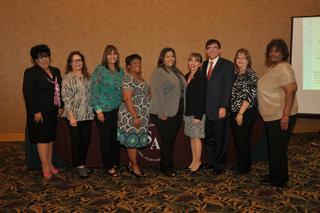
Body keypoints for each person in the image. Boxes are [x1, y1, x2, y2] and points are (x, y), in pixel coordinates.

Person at [257, 39, 298, 187]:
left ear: (283, 53)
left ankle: (280, 179)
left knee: (278, 148)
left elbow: (291, 90)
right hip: (272, 116)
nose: (273, 53)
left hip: (280, 116)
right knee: (274, 147)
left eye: (277, 51)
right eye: (271, 51)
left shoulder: (284, 68)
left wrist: (285, 115)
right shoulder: (273, 67)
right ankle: (274, 174)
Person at [23, 44, 63, 179]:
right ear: (35, 59)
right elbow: (28, 94)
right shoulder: (30, 72)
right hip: (39, 112)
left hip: (53, 111)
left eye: (46, 56)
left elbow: (59, 90)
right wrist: (36, 111)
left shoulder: (56, 71)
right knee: (42, 139)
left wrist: (60, 106)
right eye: (41, 57)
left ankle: (50, 163)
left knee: (50, 139)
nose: (45, 59)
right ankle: (44, 166)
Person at [150, 47, 187, 177]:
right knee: (167, 140)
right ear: (162, 58)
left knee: (170, 140)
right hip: (163, 112)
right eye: (167, 56)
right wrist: (162, 113)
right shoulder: (159, 72)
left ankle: (167, 164)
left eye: (172, 56)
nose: (171, 59)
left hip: (176, 112)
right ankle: (165, 167)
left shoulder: (177, 72)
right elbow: (157, 94)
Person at [201, 39, 235, 175]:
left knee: (220, 138)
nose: (212, 50)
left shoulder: (227, 65)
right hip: (205, 110)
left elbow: (228, 87)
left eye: (215, 47)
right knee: (208, 138)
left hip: (219, 109)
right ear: (206, 51)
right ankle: (211, 161)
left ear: (219, 50)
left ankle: (219, 165)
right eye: (209, 48)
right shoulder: (203, 65)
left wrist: (223, 106)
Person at [90, 45, 124, 178]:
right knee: (105, 139)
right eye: (109, 54)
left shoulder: (120, 71)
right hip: (103, 111)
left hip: (117, 110)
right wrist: (98, 111)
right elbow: (94, 91)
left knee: (115, 139)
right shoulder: (100, 70)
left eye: (115, 54)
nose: (112, 56)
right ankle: (108, 166)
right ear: (105, 56)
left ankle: (115, 162)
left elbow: (124, 89)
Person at [61, 51, 94, 178]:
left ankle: (82, 163)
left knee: (86, 140)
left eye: (79, 60)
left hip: (87, 114)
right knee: (76, 141)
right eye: (73, 60)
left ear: (83, 61)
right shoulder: (67, 78)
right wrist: (71, 115)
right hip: (73, 115)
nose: (77, 63)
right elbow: (66, 98)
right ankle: (78, 165)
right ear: (70, 63)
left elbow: (92, 94)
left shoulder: (88, 76)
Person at [118, 54, 150, 177]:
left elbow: (146, 95)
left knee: (135, 142)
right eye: (135, 63)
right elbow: (127, 99)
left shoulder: (140, 78)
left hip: (141, 116)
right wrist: (135, 116)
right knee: (132, 142)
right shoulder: (128, 78)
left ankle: (132, 164)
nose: (138, 65)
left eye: (139, 63)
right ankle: (134, 166)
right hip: (131, 115)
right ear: (128, 66)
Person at [230, 48, 258, 174]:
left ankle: (245, 168)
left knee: (242, 141)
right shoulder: (236, 74)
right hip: (236, 112)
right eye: (238, 57)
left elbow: (250, 95)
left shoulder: (250, 74)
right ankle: (242, 163)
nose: (240, 60)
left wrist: (240, 113)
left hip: (245, 113)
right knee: (240, 140)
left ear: (248, 60)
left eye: (243, 58)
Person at [184, 53, 206, 174]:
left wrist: (198, 116)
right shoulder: (187, 75)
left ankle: (198, 162)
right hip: (188, 112)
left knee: (196, 138)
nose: (193, 63)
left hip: (197, 113)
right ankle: (194, 160)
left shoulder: (201, 75)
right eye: (191, 60)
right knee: (192, 137)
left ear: (200, 64)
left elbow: (202, 97)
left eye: (196, 61)